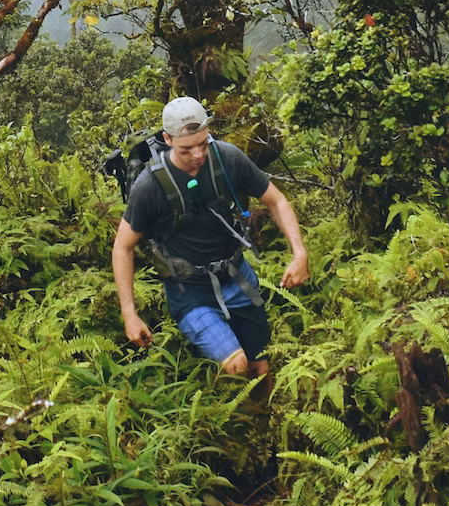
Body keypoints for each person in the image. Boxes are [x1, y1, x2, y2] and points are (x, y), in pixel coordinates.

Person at [113, 97, 312, 379]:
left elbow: (276, 201)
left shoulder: (227, 158)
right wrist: (129, 314)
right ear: (167, 139)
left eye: (203, 144)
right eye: (186, 149)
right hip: (190, 291)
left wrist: (299, 253)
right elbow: (123, 247)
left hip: (237, 276)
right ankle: (223, 411)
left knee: (260, 365)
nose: (197, 155)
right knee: (236, 364)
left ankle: (261, 417)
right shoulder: (150, 186)